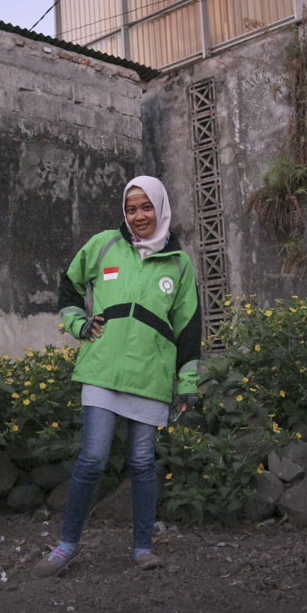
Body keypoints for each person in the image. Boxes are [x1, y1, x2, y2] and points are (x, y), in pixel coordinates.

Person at [32, 175, 201, 579]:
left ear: (160, 208)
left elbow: (189, 326)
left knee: (142, 462)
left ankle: (143, 549)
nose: (138, 216)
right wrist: (78, 325)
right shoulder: (104, 244)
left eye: (146, 207)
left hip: (151, 373)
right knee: (91, 459)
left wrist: (188, 382)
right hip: (102, 368)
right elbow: (69, 287)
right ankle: (66, 546)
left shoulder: (178, 264)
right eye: (131, 208)